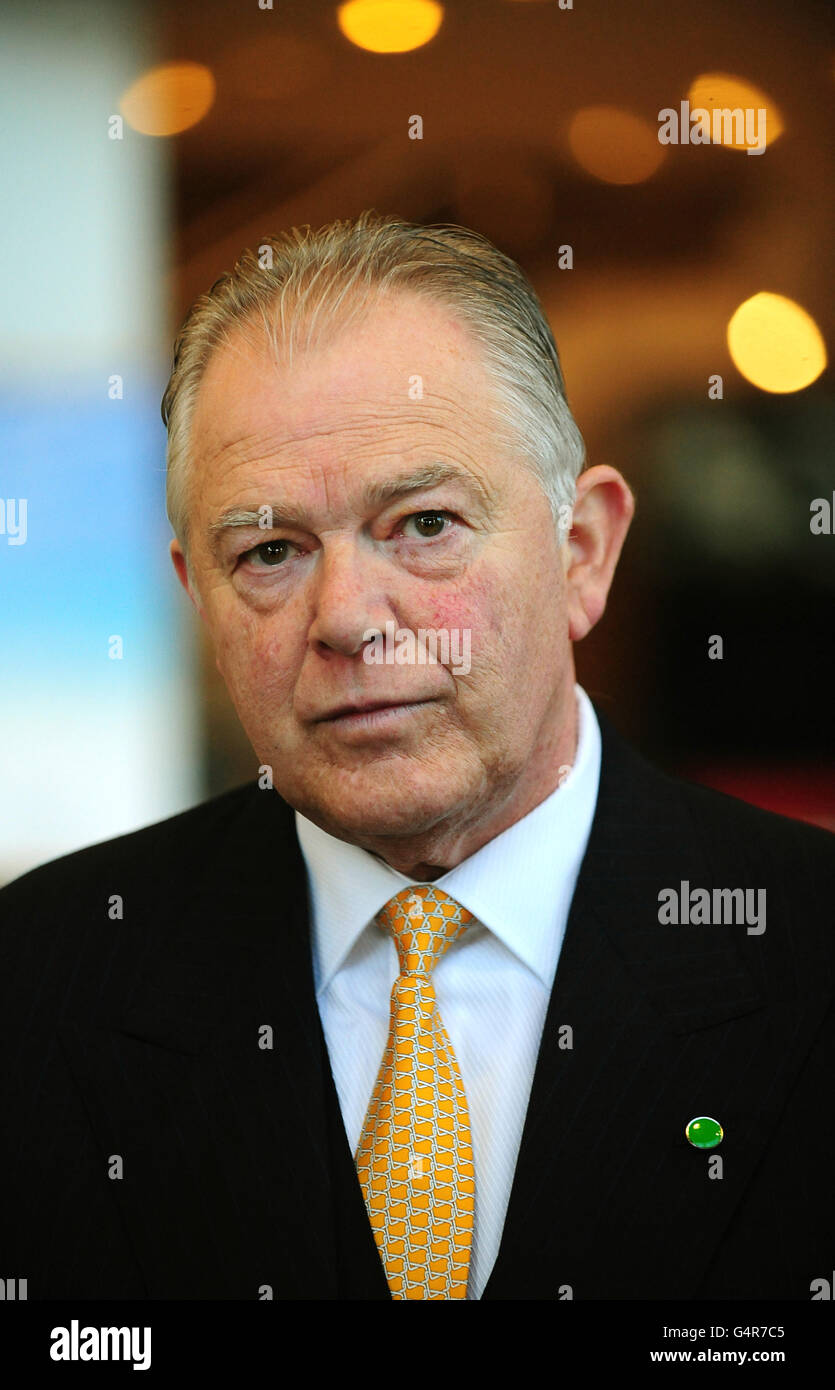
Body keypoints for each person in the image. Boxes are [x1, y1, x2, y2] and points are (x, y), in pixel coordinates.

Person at [1, 212, 832, 1301]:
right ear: (196, 597)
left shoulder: (807, 955)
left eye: (425, 524)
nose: (345, 617)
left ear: (582, 552)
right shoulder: (37, 983)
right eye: (269, 551)